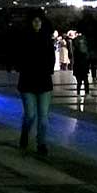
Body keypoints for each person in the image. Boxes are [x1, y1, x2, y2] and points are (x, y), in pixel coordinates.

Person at [17, 11, 55, 156]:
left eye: (39, 21)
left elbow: (51, 58)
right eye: (34, 21)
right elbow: (19, 57)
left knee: (43, 117)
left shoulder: (46, 39)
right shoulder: (24, 38)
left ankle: (41, 143)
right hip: (27, 82)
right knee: (30, 115)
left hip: (44, 82)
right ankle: (25, 133)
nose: (37, 23)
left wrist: (48, 70)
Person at [71, 32, 92, 97]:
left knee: (81, 81)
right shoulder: (84, 51)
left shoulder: (77, 50)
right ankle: (85, 93)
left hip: (79, 67)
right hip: (82, 66)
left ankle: (79, 93)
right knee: (84, 81)